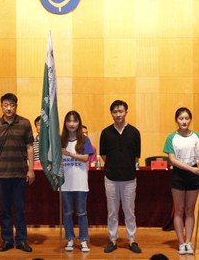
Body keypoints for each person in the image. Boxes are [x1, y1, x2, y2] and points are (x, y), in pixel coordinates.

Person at [0, 93, 35, 253]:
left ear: (16, 106)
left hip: (20, 174)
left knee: (20, 209)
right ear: (1, 106)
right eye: (6, 105)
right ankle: (7, 240)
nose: (9, 108)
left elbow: (30, 147)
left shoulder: (25, 123)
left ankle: (21, 240)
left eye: (12, 105)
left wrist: (31, 169)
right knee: (4, 209)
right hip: (2, 174)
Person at [162, 107, 199, 256]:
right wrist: (191, 169)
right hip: (179, 174)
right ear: (176, 120)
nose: (184, 121)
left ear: (190, 120)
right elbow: (172, 160)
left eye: (187, 118)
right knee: (179, 210)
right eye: (181, 118)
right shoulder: (172, 137)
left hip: (194, 175)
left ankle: (188, 242)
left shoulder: (196, 136)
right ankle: (181, 243)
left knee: (190, 210)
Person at [99, 100, 142, 254]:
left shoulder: (134, 132)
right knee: (112, 211)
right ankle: (113, 240)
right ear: (111, 113)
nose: (118, 114)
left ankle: (131, 240)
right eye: (115, 111)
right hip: (111, 178)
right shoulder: (106, 133)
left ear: (126, 112)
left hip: (129, 179)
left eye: (121, 111)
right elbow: (103, 155)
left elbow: (136, 157)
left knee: (130, 211)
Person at [60, 111, 95, 253]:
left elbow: (85, 158)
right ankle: (69, 238)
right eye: (69, 121)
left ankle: (83, 239)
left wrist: (69, 153)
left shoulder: (84, 140)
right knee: (67, 213)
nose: (71, 124)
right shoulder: (60, 140)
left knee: (81, 213)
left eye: (74, 121)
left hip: (80, 183)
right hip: (65, 184)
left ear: (79, 123)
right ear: (65, 123)